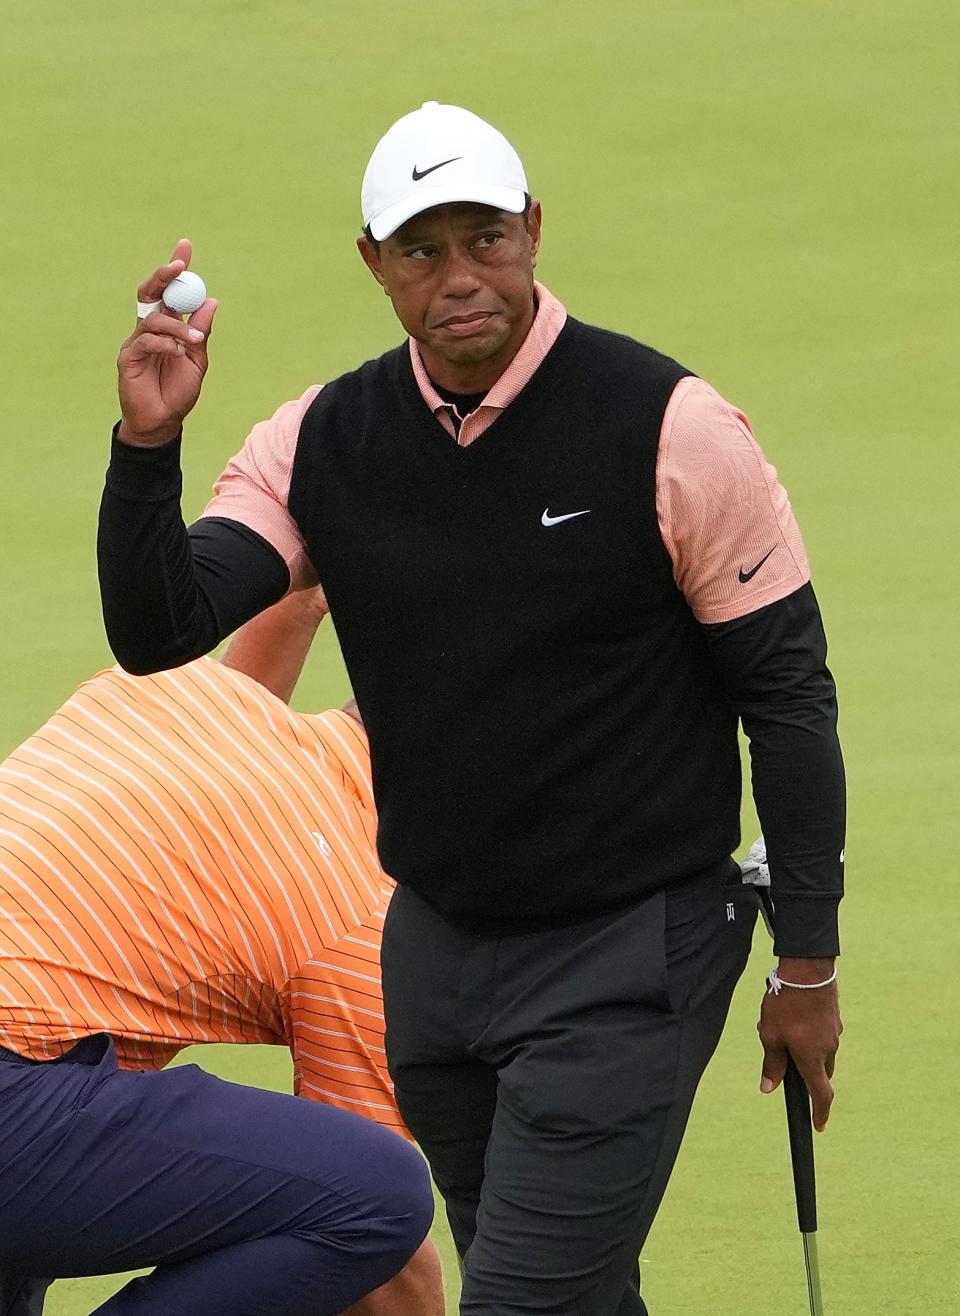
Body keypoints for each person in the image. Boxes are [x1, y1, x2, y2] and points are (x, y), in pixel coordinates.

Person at [97, 101, 845, 1315]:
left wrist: (806, 963)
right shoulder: (324, 439)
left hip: (630, 949)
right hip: (436, 957)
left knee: (522, 1299)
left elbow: (790, 697)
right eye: (421, 249)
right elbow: (162, 625)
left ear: (535, 232)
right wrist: (147, 449)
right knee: (578, 1292)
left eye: (485, 238)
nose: (460, 278)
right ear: (374, 264)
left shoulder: (669, 426)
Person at [0, 589, 443, 1316]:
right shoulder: (360, 918)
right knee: (383, 1198)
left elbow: (268, 650)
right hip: (13, 1100)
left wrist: (303, 590)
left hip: (26, 1097)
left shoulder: (175, 685)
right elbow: (380, 1253)